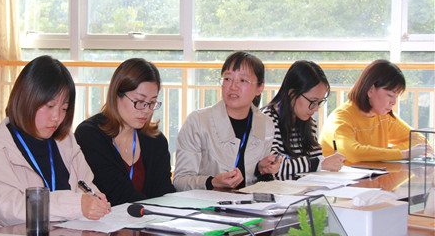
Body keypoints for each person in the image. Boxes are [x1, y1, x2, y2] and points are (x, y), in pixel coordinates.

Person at [0, 55, 110, 230]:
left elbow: (87, 187)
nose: (57, 117)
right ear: (27, 99)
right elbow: (9, 210)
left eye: (64, 109)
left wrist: (95, 202)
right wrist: (76, 205)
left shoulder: (66, 141)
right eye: (50, 106)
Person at [173, 51, 280, 191]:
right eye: (228, 79)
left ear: (259, 88)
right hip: (207, 203)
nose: (233, 86)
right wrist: (211, 182)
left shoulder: (266, 124)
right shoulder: (198, 121)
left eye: (243, 80)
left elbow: (258, 184)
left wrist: (262, 170)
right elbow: (180, 181)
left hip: (247, 203)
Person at [75, 58, 175, 206]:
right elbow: (117, 194)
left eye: (152, 103)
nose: (147, 110)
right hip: (107, 220)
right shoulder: (90, 135)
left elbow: (164, 192)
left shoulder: (156, 140)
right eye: (140, 102)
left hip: (150, 219)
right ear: (117, 95)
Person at [320, 59, 431, 164]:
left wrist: (384, 153)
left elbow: (420, 140)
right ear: (371, 90)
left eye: (396, 97)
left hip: (371, 176)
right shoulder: (341, 119)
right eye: (390, 95)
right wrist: (403, 154)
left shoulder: (383, 117)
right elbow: (352, 153)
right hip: (339, 177)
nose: (394, 102)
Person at [261, 61, 346, 180]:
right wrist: (319, 164)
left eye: (319, 102)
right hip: (278, 190)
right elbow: (272, 167)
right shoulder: (267, 120)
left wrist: (321, 163)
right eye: (312, 102)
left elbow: (315, 159)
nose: (316, 108)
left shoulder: (308, 122)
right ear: (292, 93)